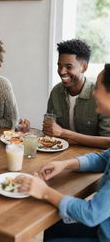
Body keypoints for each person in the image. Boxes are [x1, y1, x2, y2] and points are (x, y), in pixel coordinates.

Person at [14, 64, 110, 242]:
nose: (94, 93)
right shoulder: (57, 92)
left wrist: (44, 192)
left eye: (98, 88)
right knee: (51, 226)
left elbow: (91, 214)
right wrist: (66, 164)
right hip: (104, 223)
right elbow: (104, 158)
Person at [42, 39, 110, 149]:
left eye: (69, 67)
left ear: (84, 67)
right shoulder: (56, 92)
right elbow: (49, 133)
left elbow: (108, 141)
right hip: (59, 155)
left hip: (92, 159)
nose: (62, 71)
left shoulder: (100, 96)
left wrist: (65, 134)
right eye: (59, 66)